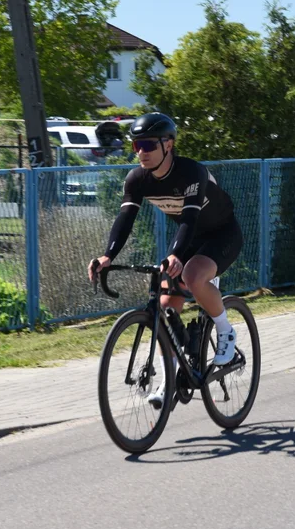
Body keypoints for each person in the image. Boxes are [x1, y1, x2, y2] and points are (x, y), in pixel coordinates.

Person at [88, 113, 244, 408]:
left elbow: (189, 218)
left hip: (223, 233)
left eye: (147, 145)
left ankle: (226, 331)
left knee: (194, 276)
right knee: (165, 305)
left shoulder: (191, 173)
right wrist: (108, 255)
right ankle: (170, 377)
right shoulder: (137, 179)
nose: (141, 152)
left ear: (169, 144)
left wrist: (174, 254)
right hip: (191, 237)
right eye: (136, 146)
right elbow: (125, 219)